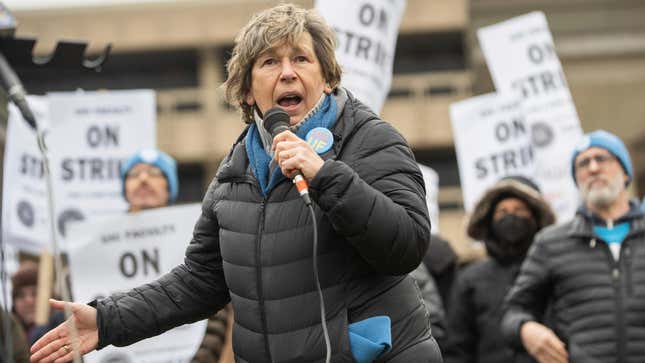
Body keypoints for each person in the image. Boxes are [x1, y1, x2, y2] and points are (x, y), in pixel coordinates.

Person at [30, 4, 440, 363]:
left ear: (327, 78)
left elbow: (406, 245)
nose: (287, 74)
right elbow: (200, 280)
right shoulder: (234, 172)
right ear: (246, 91)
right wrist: (109, 320)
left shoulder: (370, 139)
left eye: (301, 59)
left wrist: (326, 175)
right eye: (269, 63)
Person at [502, 130, 645, 363]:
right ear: (576, 179)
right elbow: (513, 311)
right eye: (583, 163)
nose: (593, 168)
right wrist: (525, 329)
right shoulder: (551, 242)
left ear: (625, 172)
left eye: (602, 158)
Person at [121, 149, 234, 363]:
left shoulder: (198, 234)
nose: (143, 179)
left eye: (155, 173)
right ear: (124, 187)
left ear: (169, 186)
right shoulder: (97, 247)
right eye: (134, 174)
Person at [442, 176, 555, 363]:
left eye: (519, 210)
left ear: (535, 218)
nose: (511, 216)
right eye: (502, 212)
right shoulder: (470, 279)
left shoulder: (554, 270)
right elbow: (457, 347)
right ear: (489, 221)